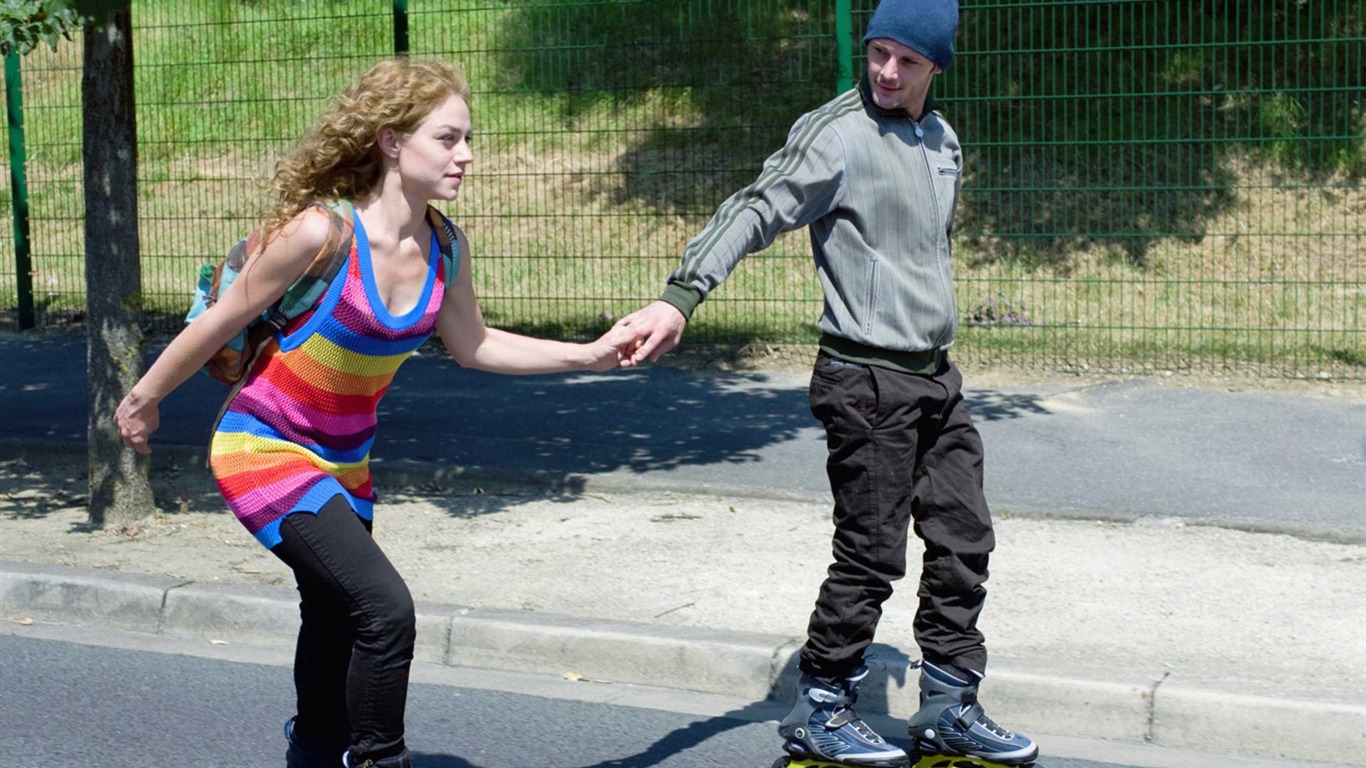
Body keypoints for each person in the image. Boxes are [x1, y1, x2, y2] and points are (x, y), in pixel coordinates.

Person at [115, 58, 631, 768]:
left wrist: (588, 356)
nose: (467, 155)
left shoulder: (445, 246)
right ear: (392, 141)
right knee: (385, 611)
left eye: (467, 139)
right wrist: (142, 400)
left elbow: (474, 345)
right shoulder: (319, 234)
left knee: (331, 618)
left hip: (345, 462)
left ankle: (316, 750)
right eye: (448, 139)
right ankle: (379, 759)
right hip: (263, 447)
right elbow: (219, 322)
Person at [614, 1, 1038, 766]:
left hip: (935, 378)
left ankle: (947, 702)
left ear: (936, 65)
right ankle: (823, 703)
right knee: (871, 552)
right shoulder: (836, 133)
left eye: (906, 60)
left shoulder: (942, 141)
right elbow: (755, 207)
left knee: (964, 538)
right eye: (878, 52)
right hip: (864, 378)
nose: (885, 71)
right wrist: (682, 297)